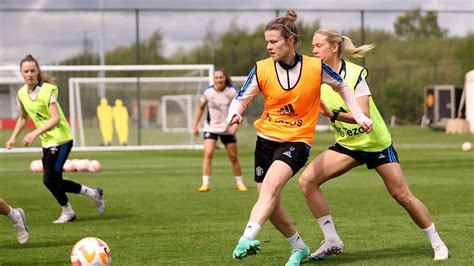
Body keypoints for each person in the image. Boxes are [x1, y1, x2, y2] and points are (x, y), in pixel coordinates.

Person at [227, 11, 373, 266]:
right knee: (268, 204)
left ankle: (246, 238)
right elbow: (240, 98)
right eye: (267, 42)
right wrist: (236, 113)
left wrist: (359, 115)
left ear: (291, 40)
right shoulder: (261, 69)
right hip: (266, 140)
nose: (269, 47)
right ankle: (299, 247)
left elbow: (343, 86)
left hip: (296, 141)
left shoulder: (315, 67)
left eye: (274, 42)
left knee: (270, 189)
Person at [298, 28, 449, 261]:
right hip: (348, 144)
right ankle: (332, 240)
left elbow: (364, 114)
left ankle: (438, 243)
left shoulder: (356, 73)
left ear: (334, 47)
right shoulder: (315, 76)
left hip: (375, 142)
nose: (314, 50)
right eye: (313, 47)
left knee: (402, 196)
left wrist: (333, 115)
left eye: (318, 46)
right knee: (307, 181)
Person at [5, 54, 105, 224]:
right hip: (47, 142)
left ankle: (68, 212)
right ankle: (93, 193)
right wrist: (13, 137)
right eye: (26, 71)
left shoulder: (48, 90)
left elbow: (55, 119)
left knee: (49, 179)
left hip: (61, 140)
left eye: (32, 70)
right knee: (56, 181)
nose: (29, 74)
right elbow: (23, 117)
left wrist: (34, 133)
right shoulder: (21, 93)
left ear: (37, 71)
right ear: (21, 73)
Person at [192, 68, 247, 192]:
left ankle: (240, 183)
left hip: (227, 128)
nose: (218, 80)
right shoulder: (207, 92)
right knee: (208, 153)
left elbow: (239, 108)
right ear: (213, 79)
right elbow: (200, 108)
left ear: (225, 78)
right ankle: (205, 184)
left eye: (221, 77)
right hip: (211, 128)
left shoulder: (232, 92)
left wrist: (235, 123)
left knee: (233, 156)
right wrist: (195, 125)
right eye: (216, 78)